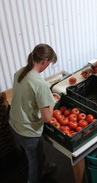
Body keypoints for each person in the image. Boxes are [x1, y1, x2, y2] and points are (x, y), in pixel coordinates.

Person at [9, 44, 58, 183]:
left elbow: (27, 98)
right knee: (34, 165)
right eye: (49, 64)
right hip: (28, 132)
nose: (47, 67)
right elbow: (47, 118)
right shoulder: (40, 84)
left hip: (14, 124)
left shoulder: (20, 72)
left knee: (31, 156)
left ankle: (43, 166)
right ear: (44, 61)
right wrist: (52, 103)